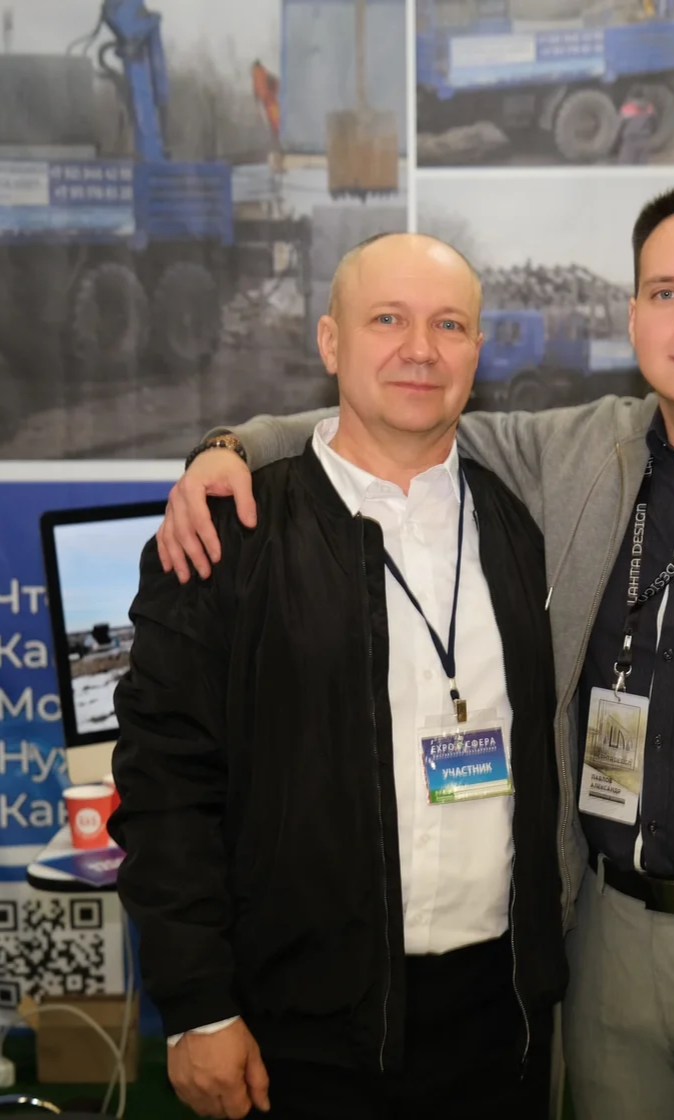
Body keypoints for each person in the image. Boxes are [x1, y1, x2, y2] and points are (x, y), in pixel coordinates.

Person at [157, 179, 674, 1120]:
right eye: (666, 293)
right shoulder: (578, 456)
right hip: (607, 953)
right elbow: (395, 416)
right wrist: (230, 449)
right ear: (633, 317)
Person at [109, 233, 567, 1120]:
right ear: (329, 342)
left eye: (449, 325)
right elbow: (165, 781)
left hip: (498, 1023)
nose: (420, 349)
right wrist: (199, 1005)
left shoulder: (521, 527)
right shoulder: (228, 531)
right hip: (296, 1030)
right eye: (387, 320)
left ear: (478, 351)